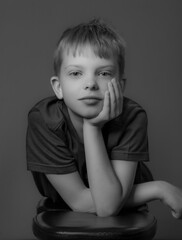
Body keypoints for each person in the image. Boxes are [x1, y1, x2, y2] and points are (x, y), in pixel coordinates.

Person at [26, 18, 182, 218]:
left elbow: (108, 207)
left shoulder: (132, 117)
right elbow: (87, 203)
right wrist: (159, 189)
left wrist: (92, 127)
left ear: (121, 86)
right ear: (58, 87)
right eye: (75, 73)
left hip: (124, 209)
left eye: (104, 73)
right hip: (67, 209)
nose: (90, 83)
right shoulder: (44, 120)